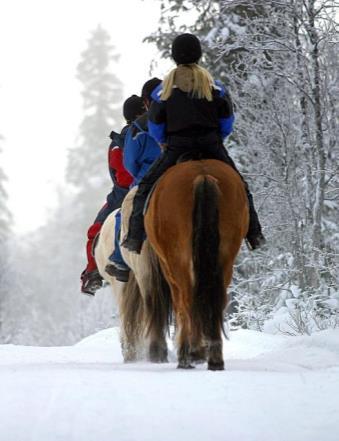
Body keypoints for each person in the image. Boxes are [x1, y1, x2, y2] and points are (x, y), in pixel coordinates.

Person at [122, 33, 266, 254]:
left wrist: (164, 143)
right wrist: (217, 138)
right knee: (241, 186)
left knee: (144, 188)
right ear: (198, 54)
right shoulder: (214, 86)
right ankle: (254, 233)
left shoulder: (163, 90)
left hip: (177, 147)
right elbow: (227, 121)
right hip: (211, 146)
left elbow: (155, 126)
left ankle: (134, 238)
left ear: (174, 57)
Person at [81, 95, 145, 295]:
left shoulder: (120, 142)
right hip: (137, 186)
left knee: (95, 231)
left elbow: (123, 178)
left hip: (124, 193)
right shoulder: (152, 131)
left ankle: (92, 274)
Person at [105, 78, 162, 280]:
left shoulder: (137, 129)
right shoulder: (173, 115)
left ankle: (120, 260)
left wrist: (139, 175)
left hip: (146, 177)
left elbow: (129, 163)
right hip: (177, 166)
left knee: (124, 212)